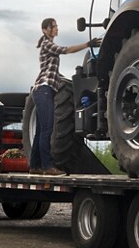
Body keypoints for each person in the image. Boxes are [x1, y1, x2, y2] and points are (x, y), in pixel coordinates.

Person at [31, 17, 98, 175]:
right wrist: (88, 45)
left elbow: (51, 70)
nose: (56, 29)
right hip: (44, 89)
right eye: (54, 27)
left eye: (56, 26)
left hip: (45, 89)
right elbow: (66, 50)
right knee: (47, 129)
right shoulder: (48, 44)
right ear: (45, 30)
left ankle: (34, 166)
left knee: (41, 130)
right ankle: (47, 167)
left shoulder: (48, 45)